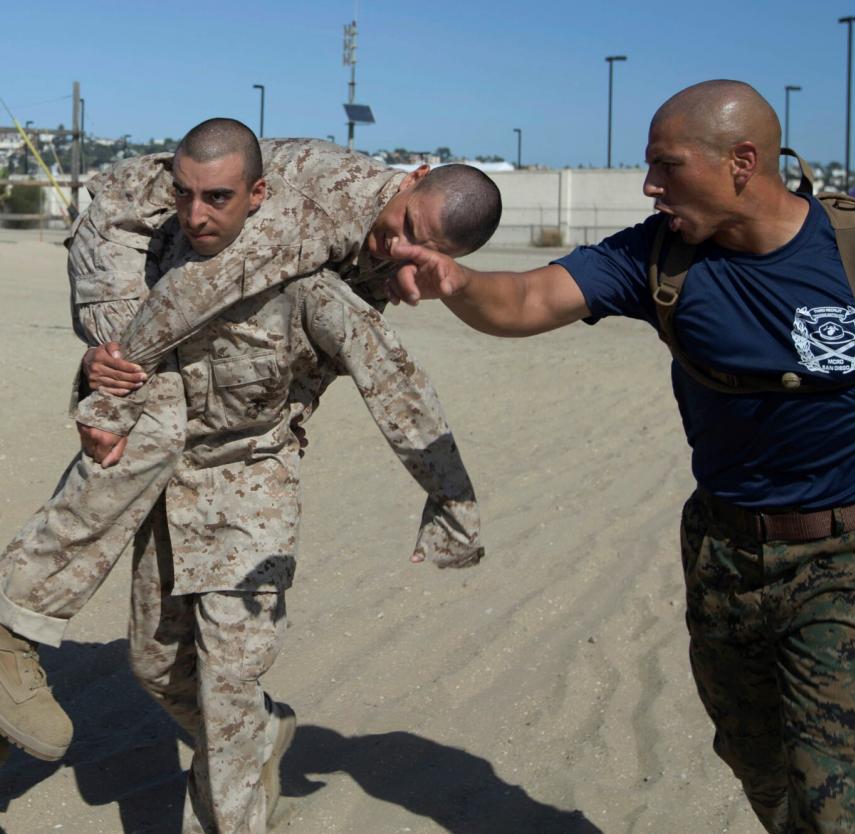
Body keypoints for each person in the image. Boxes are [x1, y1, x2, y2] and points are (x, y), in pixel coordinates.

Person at [384, 80, 855, 834]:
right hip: (723, 551)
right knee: (754, 759)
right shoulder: (657, 255)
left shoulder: (845, 250)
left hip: (843, 554)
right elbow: (529, 300)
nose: (650, 186)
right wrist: (458, 284)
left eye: (667, 167)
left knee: (835, 792)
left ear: (741, 161)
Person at [0, 120, 498, 829]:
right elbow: (161, 311)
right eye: (407, 227)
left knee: (228, 686)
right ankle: (258, 734)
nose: (400, 248)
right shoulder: (275, 219)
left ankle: (232, 787)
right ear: (412, 175)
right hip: (170, 473)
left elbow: (393, 379)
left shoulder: (338, 278)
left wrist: (451, 496)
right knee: (157, 667)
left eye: (424, 250)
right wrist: (100, 381)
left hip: (251, 485)